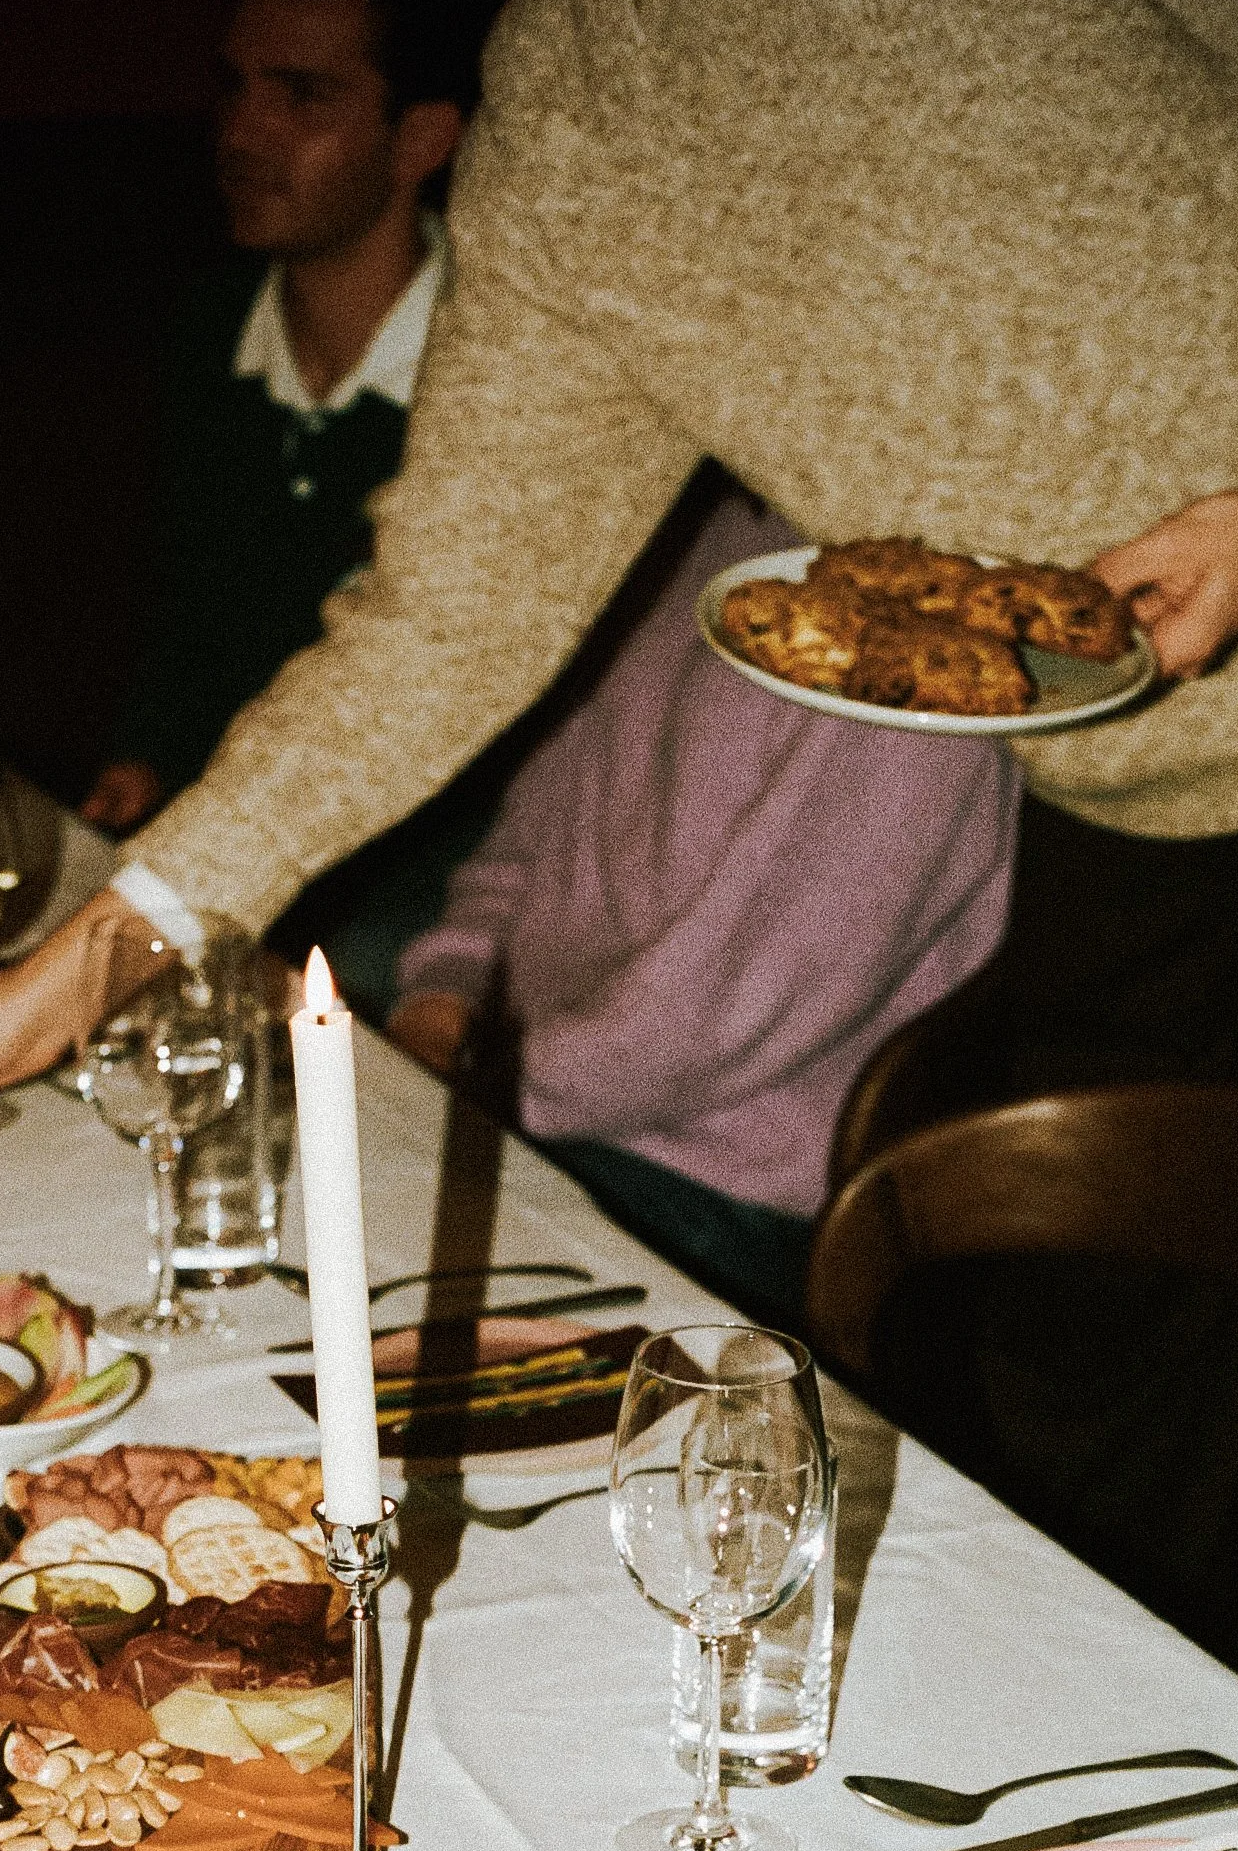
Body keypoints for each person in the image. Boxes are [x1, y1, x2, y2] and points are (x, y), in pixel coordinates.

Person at [0, 1, 1238, 1851]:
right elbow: (439, 628)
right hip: (1135, 780)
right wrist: (51, 986)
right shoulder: (573, 117)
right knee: (1103, 1414)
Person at [383, 475, 1020, 1327]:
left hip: (710, 1182)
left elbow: (719, 1020)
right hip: (533, 1098)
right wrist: (443, 994)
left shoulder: (919, 647)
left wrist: (467, 1093)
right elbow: (532, 835)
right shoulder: (706, 538)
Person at [81, 0, 505, 1011]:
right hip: (234, 853)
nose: (242, 131)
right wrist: (144, 757)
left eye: (302, 96)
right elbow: (190, 617)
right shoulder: (212, 331)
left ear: (424, 136)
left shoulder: (499, 372)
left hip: (430, 909)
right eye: (234, 87)